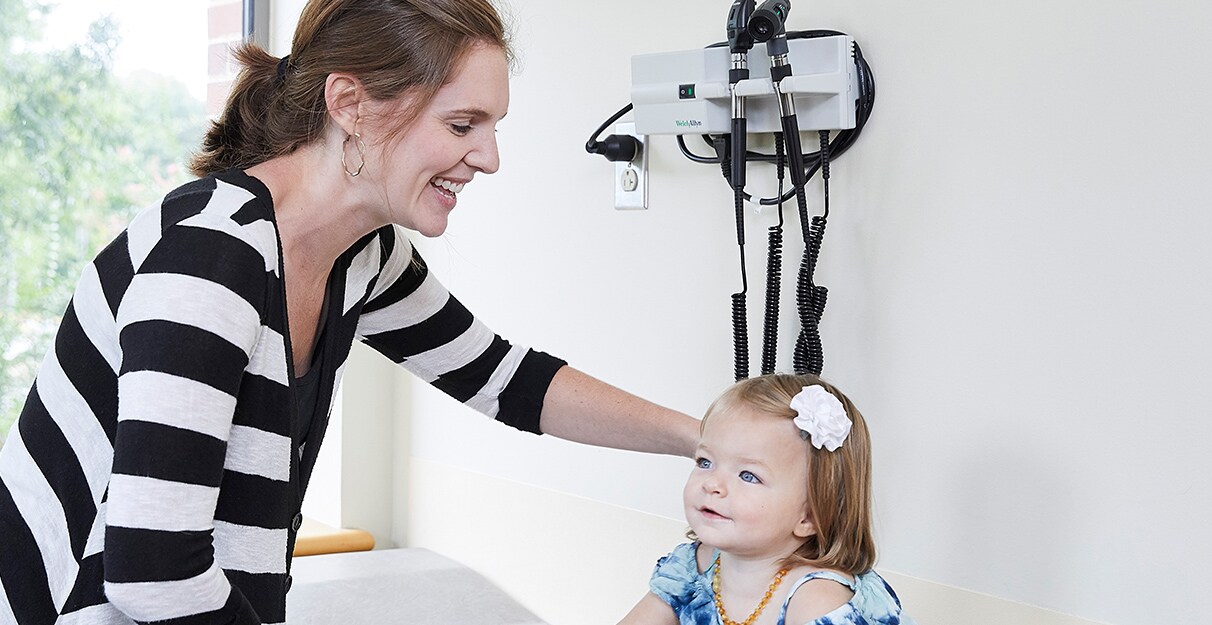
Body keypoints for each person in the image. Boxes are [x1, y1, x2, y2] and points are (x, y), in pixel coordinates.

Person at [0, 1, 698, 623]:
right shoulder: (211, 257)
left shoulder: (361, 255)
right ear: (350, 104)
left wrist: (704, 437)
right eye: (463, 124)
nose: (488, 158)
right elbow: (151, 570)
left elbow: (502, 378)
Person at [619, 374, 908, 625]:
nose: (712, 484)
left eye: (748, 476)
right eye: (705, 462)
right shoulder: (694, 567)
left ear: (809, 516)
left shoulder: (816, 598)